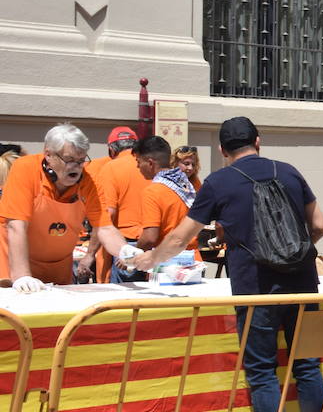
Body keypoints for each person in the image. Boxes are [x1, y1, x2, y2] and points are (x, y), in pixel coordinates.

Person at [133, 117, 323, 412]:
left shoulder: (219, 182)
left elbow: (179, 239)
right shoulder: (289, 172)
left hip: (256, 289)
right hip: (303, 283)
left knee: (261, 371)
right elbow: (319, 225)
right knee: (306, 365)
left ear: (223, 150)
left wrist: (148, 260)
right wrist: (295, 254)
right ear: (258, 140)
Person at [0, 124, 126, 290]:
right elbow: (17, 225)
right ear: (49, 155)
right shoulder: (25, 168)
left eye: (81, 161)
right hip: (16, 262)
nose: (76, 167)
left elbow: (104, 228)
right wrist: (22, 275)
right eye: (69, 160)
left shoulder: (88, 180)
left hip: (58, 266)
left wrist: (125, 251)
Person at [97, 131, 160, 283]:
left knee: (123, 302)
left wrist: (92, 249)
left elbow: (108, 214)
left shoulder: (110, 168)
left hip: (126, 246)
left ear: (111, 150)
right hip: (156, 243)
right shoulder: (153, 166)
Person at [137, 137, 198, 255]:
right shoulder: (186, 185)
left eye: (138, 162)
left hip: (169, 264)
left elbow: (150, 238)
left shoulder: (152, 191)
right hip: (193, 258)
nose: (137, 167)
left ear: (150, 163)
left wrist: (133, 254)